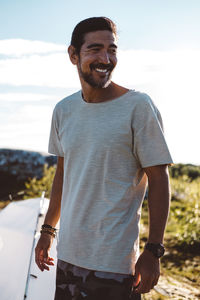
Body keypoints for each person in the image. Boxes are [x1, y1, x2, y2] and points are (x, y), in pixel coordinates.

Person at [35, 17, 173, 300]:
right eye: (95, 49)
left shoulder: (138, 106)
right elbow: (64, 174)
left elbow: (159, 180)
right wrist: (48, 231)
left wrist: (153, 250)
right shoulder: (63, 110)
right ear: (73, 54)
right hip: (69, 255)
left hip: (114, 264)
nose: (106, 58)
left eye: (112, 49)